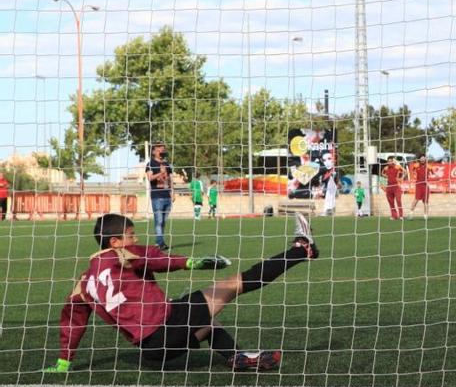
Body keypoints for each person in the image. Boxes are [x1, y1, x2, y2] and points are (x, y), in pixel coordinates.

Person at [42, 212, 318, 373]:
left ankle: (238, 358)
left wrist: (64, 361)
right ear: (114, 241)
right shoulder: (121, 253)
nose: (134, 239)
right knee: (234, 284)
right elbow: (155, 258)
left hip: (151, 352)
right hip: (167, 328)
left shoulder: (84, 281)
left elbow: (73, 319)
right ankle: (301, 249)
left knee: (203, 319)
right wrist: (190, 262)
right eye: (130, 234)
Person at [145, 142, 174, 250]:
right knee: (159, 220)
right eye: (159, 148)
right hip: (157, 197)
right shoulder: (150, 164)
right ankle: (160, 243)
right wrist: (160, 173)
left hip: (167, 196)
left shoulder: (167, 164)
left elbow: (170, 179)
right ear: (153, 151)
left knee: (163, 221)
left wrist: (172, 193)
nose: (162, 150)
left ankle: (160, 241)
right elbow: (150, 178)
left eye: (163, 148)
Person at [409, 154, 435, 219]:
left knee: (426, 201)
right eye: (421, 158)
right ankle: (411, 213)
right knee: (416, 199)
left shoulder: (429, 166)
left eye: (424, 158)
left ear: (425, 159)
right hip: (418, 184)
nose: (422, 159)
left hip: (425, 185)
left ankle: (425, 215)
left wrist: (431, 178)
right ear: (419, 159)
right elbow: (411, 172)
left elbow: (433, 174)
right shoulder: (416, 165)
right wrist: (414, 176)